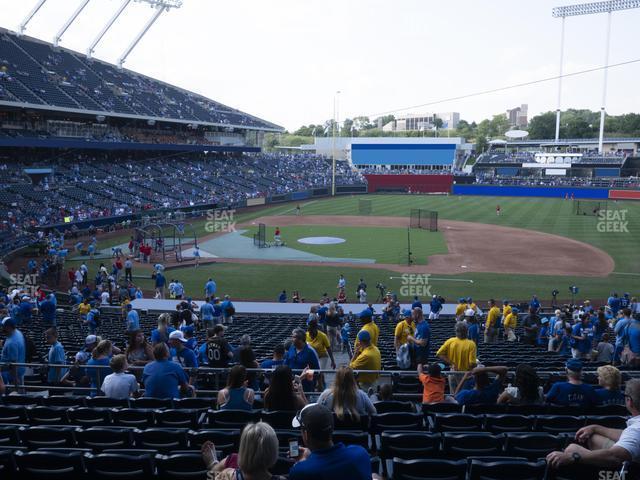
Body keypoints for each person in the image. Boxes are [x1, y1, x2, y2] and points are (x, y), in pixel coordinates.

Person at [546, 378, 640, 469]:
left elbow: (615, 457)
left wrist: (575, 456)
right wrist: (596, 428)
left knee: (572, 449)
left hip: (633, 470)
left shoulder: (635, 428)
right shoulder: (635, 430)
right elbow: (629, 436)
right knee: (593, 437)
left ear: (629, 401)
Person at [289, 403, 374, 480]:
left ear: (306, 434)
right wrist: (310, 457)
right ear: (332, 429)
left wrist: (302, 464)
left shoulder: (299, 472)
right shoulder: (360, 454)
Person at [202, 422, 286, 480]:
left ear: (243, 449)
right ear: (273, 451)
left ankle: (213, 463)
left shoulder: (227, 475)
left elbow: (211, 476)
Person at [436, 322, 477, 392]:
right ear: (466, 331)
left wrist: (452, 363)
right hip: (465, 374)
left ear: (456, 331)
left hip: (452, 372)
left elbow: (439, 354)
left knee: (453, 394)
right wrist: (477, 364)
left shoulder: (450, 341)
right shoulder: (471, 344)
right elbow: (472, 363)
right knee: (463, 395)